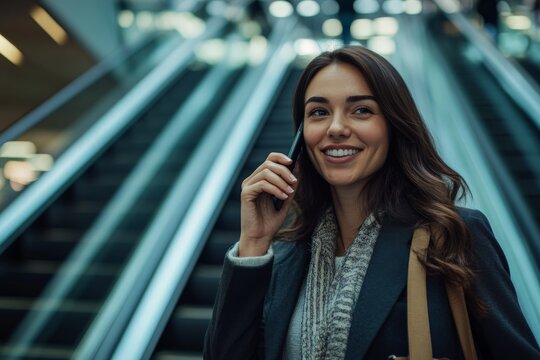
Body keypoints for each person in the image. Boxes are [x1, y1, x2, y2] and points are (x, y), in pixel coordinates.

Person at [204, 46, 540, 359]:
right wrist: (254, 242)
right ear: (301, 135)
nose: (336, 128)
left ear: (394, 125)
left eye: (361, 110)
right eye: (319, 112)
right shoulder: (285, 257)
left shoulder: (455, 235)